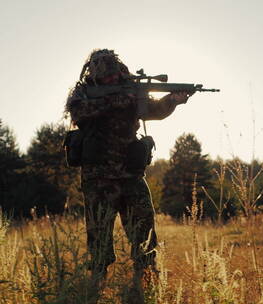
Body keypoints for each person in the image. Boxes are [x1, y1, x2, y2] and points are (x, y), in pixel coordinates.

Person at [65, 49, 190, 302]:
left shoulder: (130, 89)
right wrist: (115, 100)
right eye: (107, 74)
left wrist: (173, 101)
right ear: (97, 73)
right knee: (99, 234)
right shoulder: (84, 92)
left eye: (114, 73)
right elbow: (77, 114)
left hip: (131, 174)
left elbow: (151, 111)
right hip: (98, 177)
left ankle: (145, 284)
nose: (112, 78)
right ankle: (96, 286)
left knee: (143, 230)